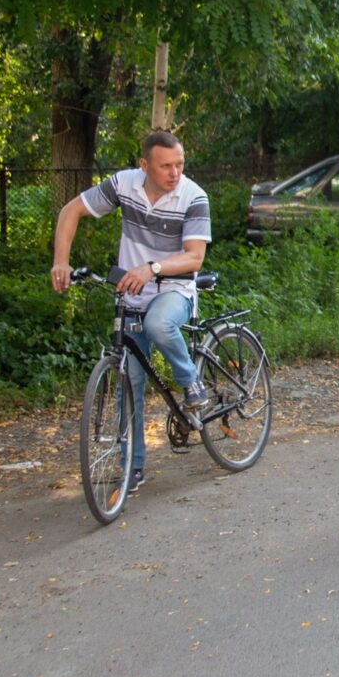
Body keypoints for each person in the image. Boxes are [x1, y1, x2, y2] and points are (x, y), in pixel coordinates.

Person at [50, 130, 212, 493]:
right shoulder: (124, 185)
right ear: (144, 166)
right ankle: (132, 468)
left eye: (180, 164)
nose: (175, 173)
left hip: (173, 289)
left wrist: (151, 268)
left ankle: (191, 383)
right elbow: (70, 210)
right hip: (130, 294)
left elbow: (194, 257)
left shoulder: (193, 195)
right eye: (166, 166)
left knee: (158, 323)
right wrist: (61, 262)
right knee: (129, 382)